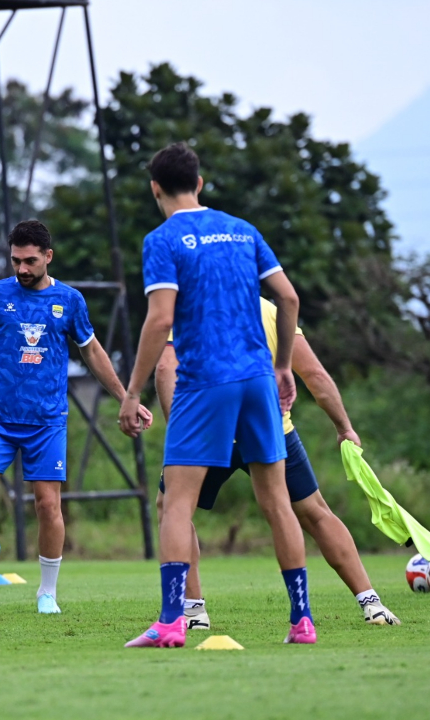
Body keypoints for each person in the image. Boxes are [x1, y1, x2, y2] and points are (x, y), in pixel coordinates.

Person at [119, 142, 313, 648]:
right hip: (257, 379)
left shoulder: (162, 239)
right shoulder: (244, 230)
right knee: (278, 503)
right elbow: (289, 297)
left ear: (155, 188)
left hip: (205, 381)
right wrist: (283, 364)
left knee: (176, 505)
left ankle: (171, 622)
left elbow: (161, 319)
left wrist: (132, 390)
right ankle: (302, 621)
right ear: (200, 183)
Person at [0, 220, 149, 614]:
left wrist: (126, 397)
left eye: (30, 261)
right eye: (15, 261)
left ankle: (46, 592)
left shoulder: (70, 301)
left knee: (47, 506)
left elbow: (93, 353)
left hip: (46, 421)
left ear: (48, 257)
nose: (22, 269)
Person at [154, 297, 400, 628]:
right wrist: (344, 427)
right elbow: (314, 374)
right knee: (313, 512)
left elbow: (165, 369)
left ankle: (194, 612)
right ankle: (371, 604)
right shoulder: (269, 310)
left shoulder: (192, 306)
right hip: (270, 428)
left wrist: (180, 430)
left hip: (210, 431)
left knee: (172, 508)